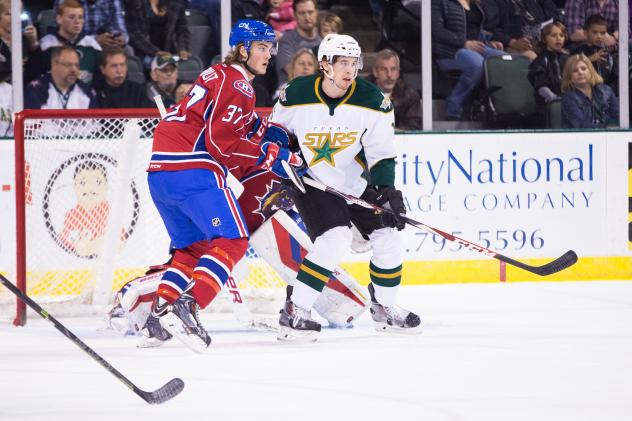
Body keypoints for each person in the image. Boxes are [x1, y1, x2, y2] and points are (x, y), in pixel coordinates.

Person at [141, 19, 303, 352]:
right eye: (261, 47)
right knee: (233, 240)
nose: (268, 54)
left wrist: (264, 130)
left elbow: (228, 122)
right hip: (193, 171)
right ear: (242, 49)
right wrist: (268, 154)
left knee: (192, 248)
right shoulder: (240, 85)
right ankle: (189, 306)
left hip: (160, 174)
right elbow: (221, 143)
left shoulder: (215, 74)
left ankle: (158, 315)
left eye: (270, 48)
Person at [270, 33, 421, 341]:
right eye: (342, 63)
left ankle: (385, 309)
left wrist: (386, 190)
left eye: (354, 63)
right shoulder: (296, 94)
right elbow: (275, 132)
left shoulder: (373, 101)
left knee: (388, 238)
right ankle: (296, 312)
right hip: (311, 181)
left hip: (354, 183)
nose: (349, 70)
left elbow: (381, 153)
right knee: (335, 238)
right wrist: (281, 155)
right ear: (325, 65)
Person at [432, 0, 505, 120]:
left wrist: (489, 42)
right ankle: (453, 106)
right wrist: (463, 43)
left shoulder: (475, 4)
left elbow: (475, 31)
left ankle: (496, 107)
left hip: (477, 47)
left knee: (503, 60)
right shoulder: (440, 2)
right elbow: (437, 31)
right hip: (451, 51)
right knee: (476, 64)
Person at [39, 0, 102, 84]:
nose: (77, 22)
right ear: (59, 19)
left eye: (80, 17)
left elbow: (100, 78)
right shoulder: (46, 45)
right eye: (72, 17)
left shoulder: (92, 45)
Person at [59, 160, 110, 257]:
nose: (90, 188)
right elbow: (63, 241)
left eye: (98, 182)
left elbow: (120, 243)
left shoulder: (112, 214)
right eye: (83, 182)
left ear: (106, 186)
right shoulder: (70, 216)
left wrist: (93, 246)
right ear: (75, 187)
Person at [483, 0, 560, 61]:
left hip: (539, 41)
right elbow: (491, 29)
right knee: (534, 59)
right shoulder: (491, 2)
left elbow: (543, 20)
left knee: (564, 57)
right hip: (512, 43)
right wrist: (511, 42)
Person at [25, 45, 97, 109]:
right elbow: (33, 123)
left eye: (76, 65)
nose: (74, 70)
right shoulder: (37, 89)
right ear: (54, 64)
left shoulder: (87, 91)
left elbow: (95, 122)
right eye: (68, 65)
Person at [124, 0, 190, 68]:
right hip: (143, 52)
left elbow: (182, 28)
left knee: (183, 64)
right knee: (161, 67)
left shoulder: (177, 2)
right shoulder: (135, 2)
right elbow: (134, 33)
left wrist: (183, 49)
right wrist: (155, 52)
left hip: (169, 52)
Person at [368, 48, 422, 130]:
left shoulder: (409, 95)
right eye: (384, 69)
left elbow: (414, 127)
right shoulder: (363, 92)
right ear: (375, 72)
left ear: (398, 73)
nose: (389, 75)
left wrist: (389, 132)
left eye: (393, 69)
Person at [561, 53, 619, 128]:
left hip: (611, 136)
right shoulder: (568, 98)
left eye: (583, 69)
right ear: (569, 77)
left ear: (591, 71)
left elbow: (620, 118)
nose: (580, 72)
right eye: (575, 71)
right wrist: (607, 128)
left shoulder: (606, 91)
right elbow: (581, 126)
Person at [275, 0, 320, 86]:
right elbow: (296, 73)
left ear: (316, 13)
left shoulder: (323, 42)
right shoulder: (286, 41)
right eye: (302, 13)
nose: (307, 17)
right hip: (290, 92)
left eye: (310, 12)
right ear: (295, 15)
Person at [53, 0, 128, 49]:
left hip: (105, 44)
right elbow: (65, 34)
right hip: (71, 44)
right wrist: (95, 40)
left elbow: (119, 28)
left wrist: (119, 38)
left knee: (126, 50)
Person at [570, 15, 617, 92]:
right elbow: (570, 71)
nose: (599, 36)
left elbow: (611, 77)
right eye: (595, 32)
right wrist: (589, 59)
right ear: (585, 33)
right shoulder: (577, 51)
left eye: (602, 33)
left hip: (604, 92)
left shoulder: (606, 52)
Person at [0, 0, 43, 84]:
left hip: (25, 92)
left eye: (18, 13)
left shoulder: (25, 39)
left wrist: (34, 44)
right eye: (8, 13)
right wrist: (14, 65)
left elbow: (37, 73)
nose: (14, 17)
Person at [528, 21, 569, 106]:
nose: (558, 38)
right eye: (554, 35)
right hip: (549, 104)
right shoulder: (541, 60)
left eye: (561, 35)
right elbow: (540, 86)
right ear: (544, 39)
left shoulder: (568, 58)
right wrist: (555, 100)